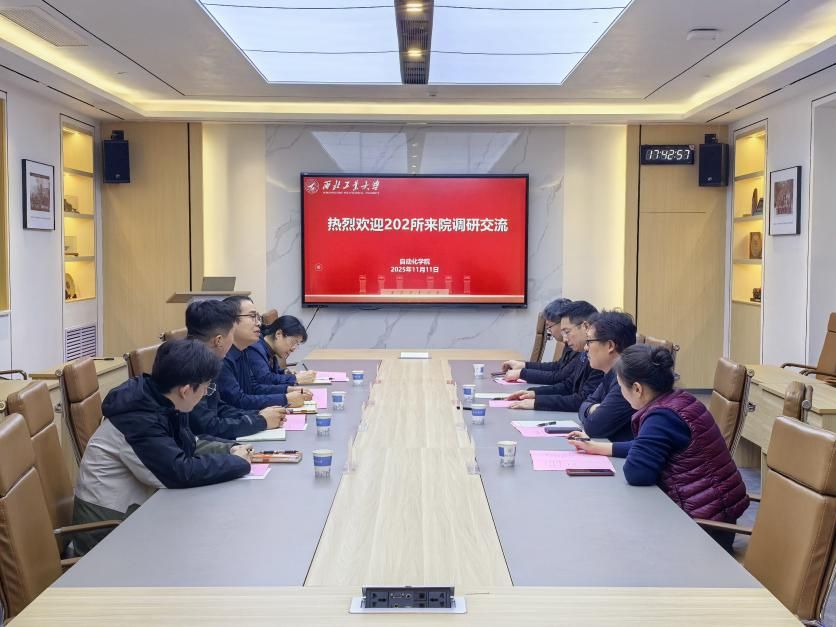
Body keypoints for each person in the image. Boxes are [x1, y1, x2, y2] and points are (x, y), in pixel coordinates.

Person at [72, 340, 254, 555]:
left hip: (139, 515)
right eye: (206, 387)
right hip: (108, 534)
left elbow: (188, 445)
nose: (206, 393)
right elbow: (180, 473)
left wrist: (230, 449)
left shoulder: (163, 401)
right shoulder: (138, 419)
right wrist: (237, 463)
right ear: (186, 390)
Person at [569, 345, 749, 552]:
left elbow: (637, 473)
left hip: (701, 531)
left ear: (637, 389)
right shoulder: (679, 400)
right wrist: (600, 448)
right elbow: (649, 445)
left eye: (620, 387)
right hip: (709, 514)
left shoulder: (661, 417)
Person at [186, 300, 286, 439]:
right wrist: (260, 421)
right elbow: (208, 426)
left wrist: (258, 416)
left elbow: (219, 408)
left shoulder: (207, 360)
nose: (258, 323)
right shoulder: (192, 367)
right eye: (231, 334)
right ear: (219, 340)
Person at [217, 295, 311, 410]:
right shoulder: (222, 358)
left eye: (258, 317)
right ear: (230, 321)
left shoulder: (242, 350)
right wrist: (285, 397)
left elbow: (253, 388)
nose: (258, 323)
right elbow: (238, 401)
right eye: (252, 316)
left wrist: (287, 390)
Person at [508, 301, 603, 412]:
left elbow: (582, 400)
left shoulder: (599, 358)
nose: (565, 339)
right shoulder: (584, 352)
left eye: (567, 332)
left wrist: (538, 402)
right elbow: (568, 385)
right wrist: (534, 393)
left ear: (585, 327)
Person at [577, 311, 636, 442]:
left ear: (610, 346)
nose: (585, 348)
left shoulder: (627, 379)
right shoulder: (611, 373)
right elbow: (584, 405)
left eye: (589, 341)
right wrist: (592, 408)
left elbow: (594, 427)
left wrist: (592, 409)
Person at [502, 298, 583, 385]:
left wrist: (522, 374)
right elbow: (558, 366)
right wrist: (524, 365)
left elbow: (559, 377)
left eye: (549, 326)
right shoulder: (569, 343)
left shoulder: (579, 346)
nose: (549, 331)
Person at [246, 314, 317, 387]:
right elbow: (265, 379)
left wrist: (284, 372)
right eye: (293, 342)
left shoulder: (270, 349)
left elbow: (270, 372)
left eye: (297, 344)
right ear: (278, 334)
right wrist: (295, 378)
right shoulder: (255, 348)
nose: (293, 349)